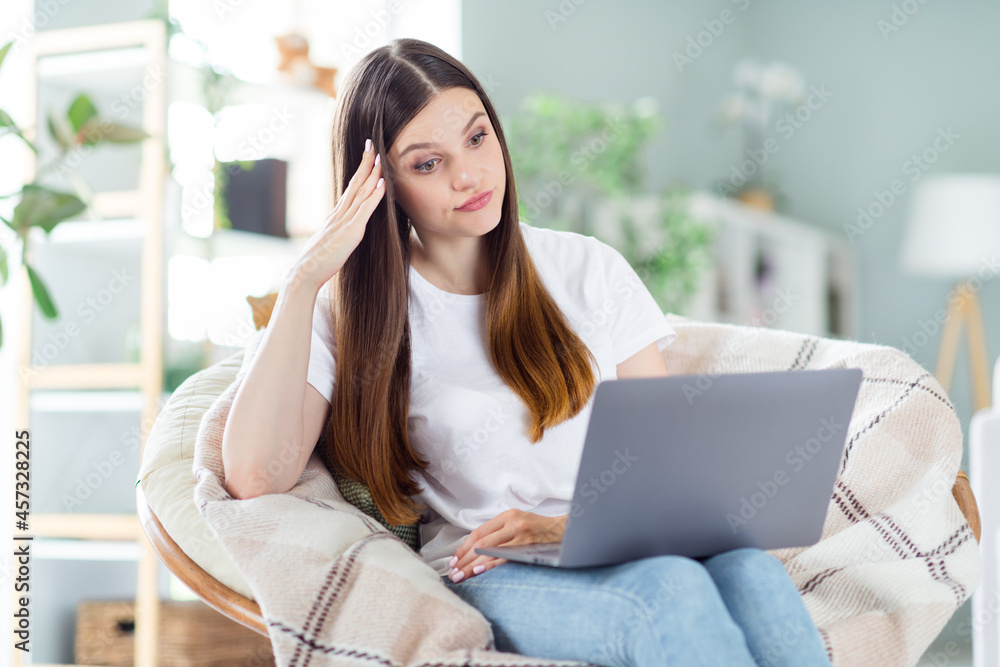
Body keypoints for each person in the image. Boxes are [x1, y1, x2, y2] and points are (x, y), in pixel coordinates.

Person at [220, 37, 831, 667]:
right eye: (427, 164)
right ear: (379, 184)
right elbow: (254, 476)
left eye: (478, 138)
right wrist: (301, 282)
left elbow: (664, 471)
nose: (469, 175)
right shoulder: (355, 312)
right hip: (490, 567)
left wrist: (571, 529)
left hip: (619, 541)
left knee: (752, 573)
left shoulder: (587, 269)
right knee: (667, 594)